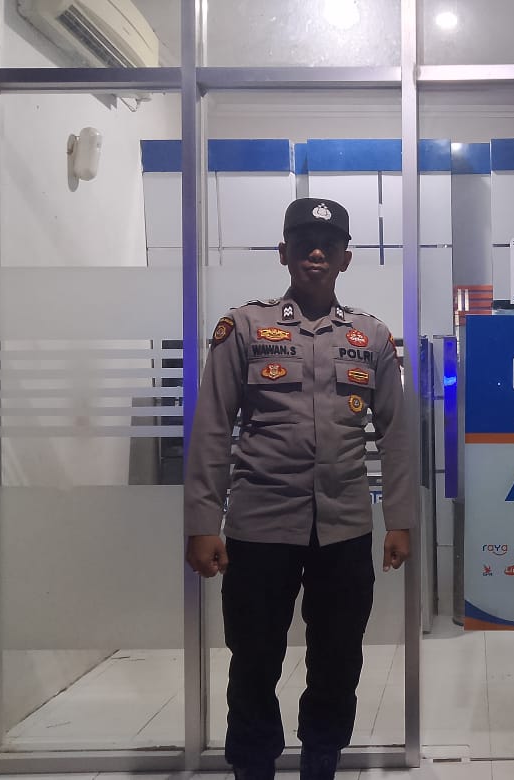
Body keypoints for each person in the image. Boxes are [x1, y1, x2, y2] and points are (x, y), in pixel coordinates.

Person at [184, 197, 416, 780]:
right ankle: (253, 765)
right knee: (254, 658)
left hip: (344, 528)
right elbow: (212, 427)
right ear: (283, 252)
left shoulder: (370, 336)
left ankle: (321, 759)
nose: (317, 252)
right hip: (260, 526)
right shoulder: (243, 327)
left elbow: (396, 433)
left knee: (338, 658)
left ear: (346, 258)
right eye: (304, 242)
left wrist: (401, 519)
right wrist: (202, 523)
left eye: (329, 244)